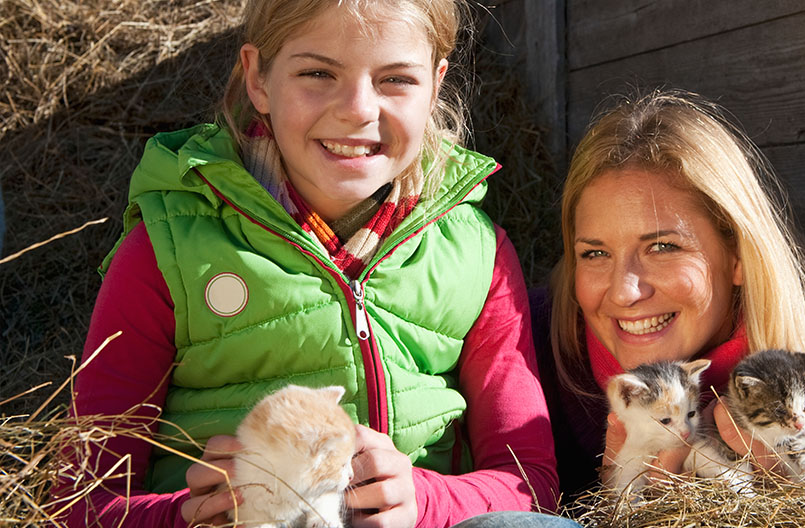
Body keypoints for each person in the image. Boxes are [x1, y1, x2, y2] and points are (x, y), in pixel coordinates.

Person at [60, 1, 568, 527]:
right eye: (318, 73)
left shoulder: (478, 255)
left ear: (435, 86)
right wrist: (187, 515)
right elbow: (76, 498)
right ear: (258, 77)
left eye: (395, 79)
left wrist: (421, 500)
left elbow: (530, 484)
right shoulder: (166, 250)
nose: (357, 109)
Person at [534, 90, 805, 497]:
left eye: (663, 247)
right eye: (595, 253)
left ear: (738, 256)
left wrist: (792, 506)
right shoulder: (525, 347)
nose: (625, 291)